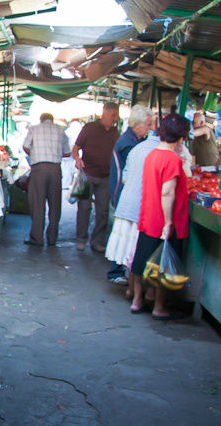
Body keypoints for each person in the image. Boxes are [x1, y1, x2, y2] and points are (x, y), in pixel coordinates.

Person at [129, 114, 192, 320]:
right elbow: (167, 192)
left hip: (148, 217)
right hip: (164, 222)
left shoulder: (152, 154)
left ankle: (137, 300)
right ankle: (158, 306)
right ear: (182, 137)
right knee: (162, 266)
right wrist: (168, 222)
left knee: (141, 261)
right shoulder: (172, 159)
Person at [106, 123, 162, 302]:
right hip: (142, 205)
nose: (147, 128)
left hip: (127, 201)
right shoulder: (159, 153)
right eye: (147, 124)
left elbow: (124, 177)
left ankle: (132, 291)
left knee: (129, 249)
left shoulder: (137, 147)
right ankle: (139, 294)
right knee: (136, 250)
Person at [72, 102, 120, 252]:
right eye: (113, 115)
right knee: (84, 207)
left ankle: (97, 241)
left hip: (106, 176)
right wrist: (77, 159)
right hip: (88, 175)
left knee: (103, 211)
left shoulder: (115, 132)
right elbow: (76, 148)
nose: (115, 119)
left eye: (116, 115)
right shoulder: (89, 128)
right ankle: (81, 239)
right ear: (104, 113)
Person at [22, 112, 70, 247]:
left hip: (38, 169)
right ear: (52, 120)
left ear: (41, 119)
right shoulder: (61, 130)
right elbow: (68, 152)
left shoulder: (33, 129)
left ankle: (37, 238)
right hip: (55, 169)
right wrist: (55, 153)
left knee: (38, 204)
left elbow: (25, 146)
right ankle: (52, 238)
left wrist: (34, 154)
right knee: (55, 205)